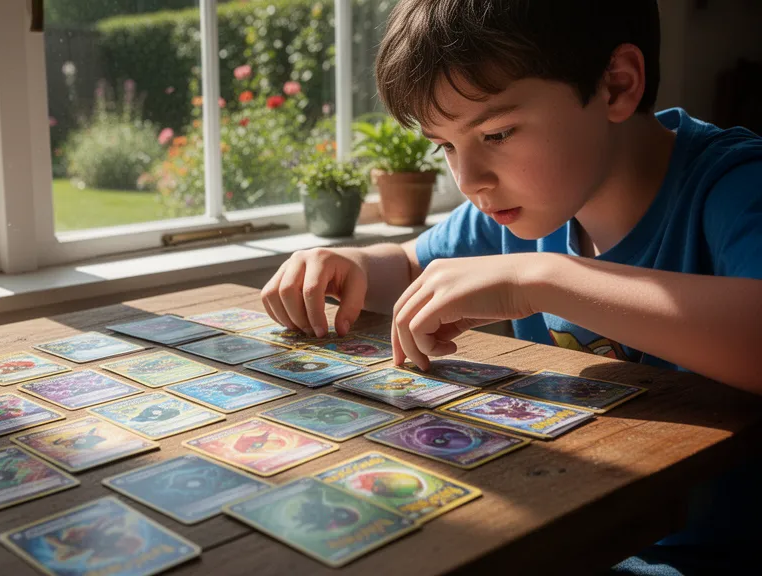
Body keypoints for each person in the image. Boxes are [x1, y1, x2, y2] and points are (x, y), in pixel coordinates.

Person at [260, 1, 762, 574]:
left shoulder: (734, 185)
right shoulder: (514, 208)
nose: (469, 180)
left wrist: (545, 279)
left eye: (496, 132)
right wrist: (345, 266)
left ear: (616, 85)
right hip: (566, 530)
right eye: (444, 146)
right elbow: (407, 263)